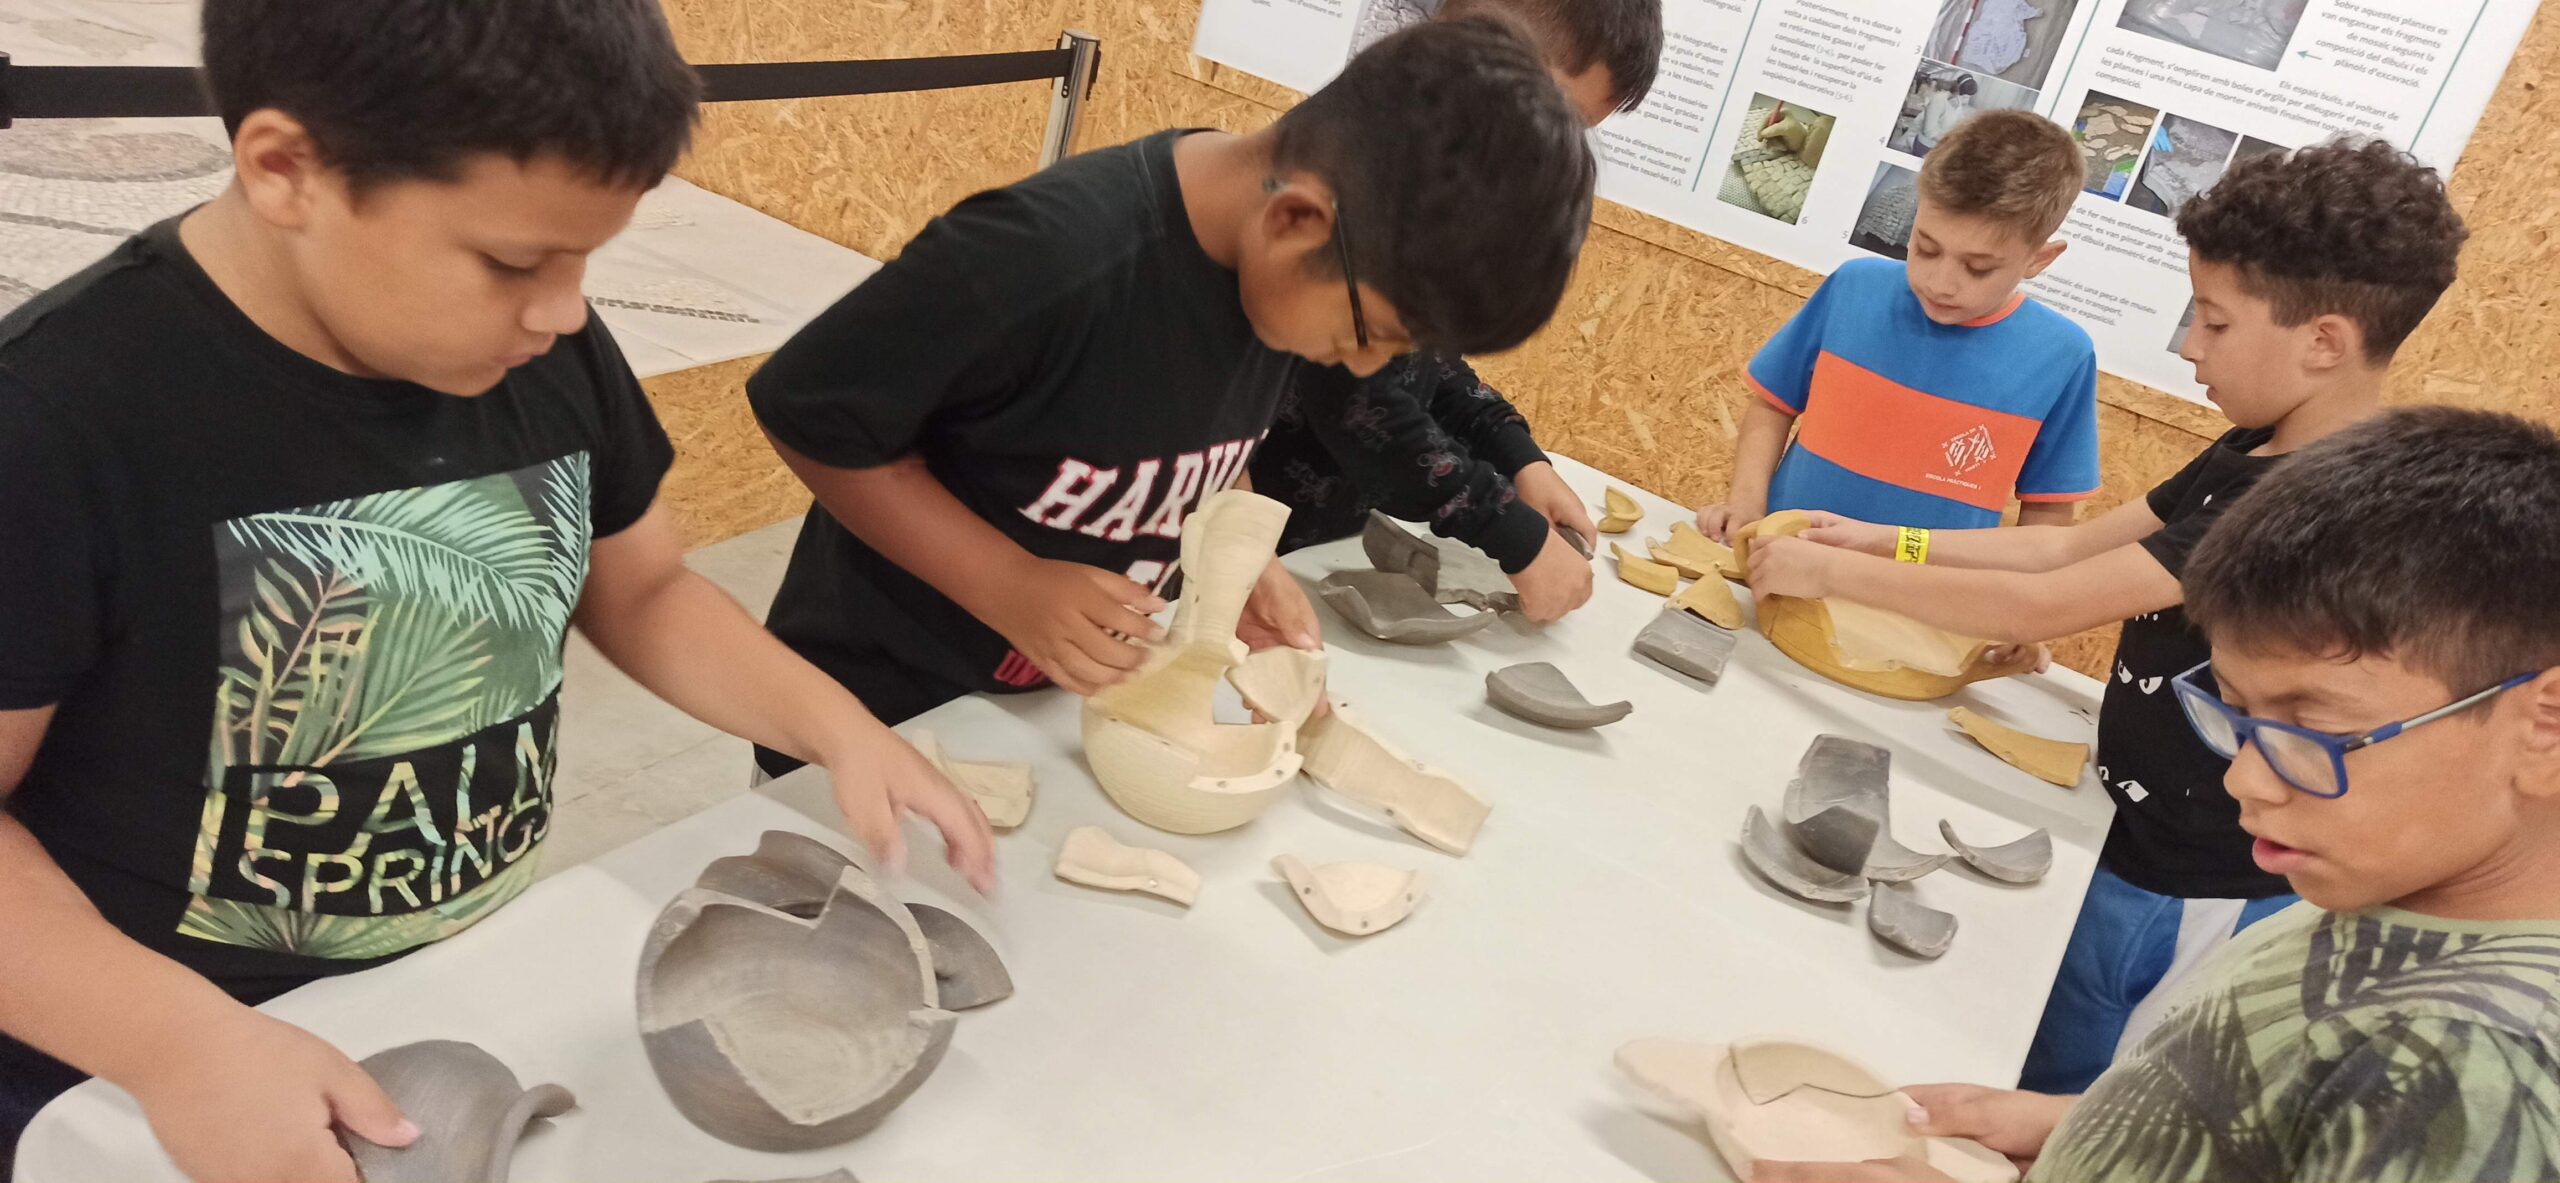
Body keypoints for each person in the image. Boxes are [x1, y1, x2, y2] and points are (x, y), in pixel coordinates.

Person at [0, 2, 996, 1179]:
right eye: (514, 262)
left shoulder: (541, 346)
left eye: (586, 259)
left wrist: (835, 725)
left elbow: (644, 591)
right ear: (286, 170)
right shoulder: (57, 419)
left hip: (455, 983)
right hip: (146, 1066)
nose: (564, 309)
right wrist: (173, 1046)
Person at [1744, 139, 2470, 1093]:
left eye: (2213, 320)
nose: (2191, 346)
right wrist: (1886, 542)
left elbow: (2046, 601)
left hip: (2193, 875)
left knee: (2081, 1078)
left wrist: (1828, 573)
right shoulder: (2254, 446)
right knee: (2031, 1038)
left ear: (2324, 341)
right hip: (2125, 824)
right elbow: (2060, 548)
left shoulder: (2308, 499)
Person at [747, 17, 1597, 773]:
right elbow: (809, 413)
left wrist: (1242, 560)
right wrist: (1008, 583)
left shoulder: (1277, 282)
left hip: (1040, 710)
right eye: (1367, 332)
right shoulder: (1047, 257)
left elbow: (1200, 440)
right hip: (870, 715)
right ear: (1296, 221)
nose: (1366, 365)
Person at [1756, 406, 2560, 1183]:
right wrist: (2089, 1125)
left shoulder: (2478, 1066)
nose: (2244, 777)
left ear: (2543, 726)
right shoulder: (2384, 890)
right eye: (2235, 713)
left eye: (2312, 728)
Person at [1248, 0, 1662, 623]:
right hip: (1238, 558)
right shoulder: (1355, 185)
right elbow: (1359, 400)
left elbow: (1427, 365)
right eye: (1558, 117)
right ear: (1486, 51)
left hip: (1296, 559)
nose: (1554, 152)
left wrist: (1517, 456)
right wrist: (1508, 530)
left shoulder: (1421, 189)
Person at [1694, 109, 2098, 541]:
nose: (1940, 283)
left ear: (2039, 259)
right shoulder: (1853, 288)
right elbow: (1773, 405)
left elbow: (2049, 508)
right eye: (1926, 248)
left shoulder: (2063, 355)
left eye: (1978, 268)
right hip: (1783, 558)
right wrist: (1746, 506)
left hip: (1923, 583)